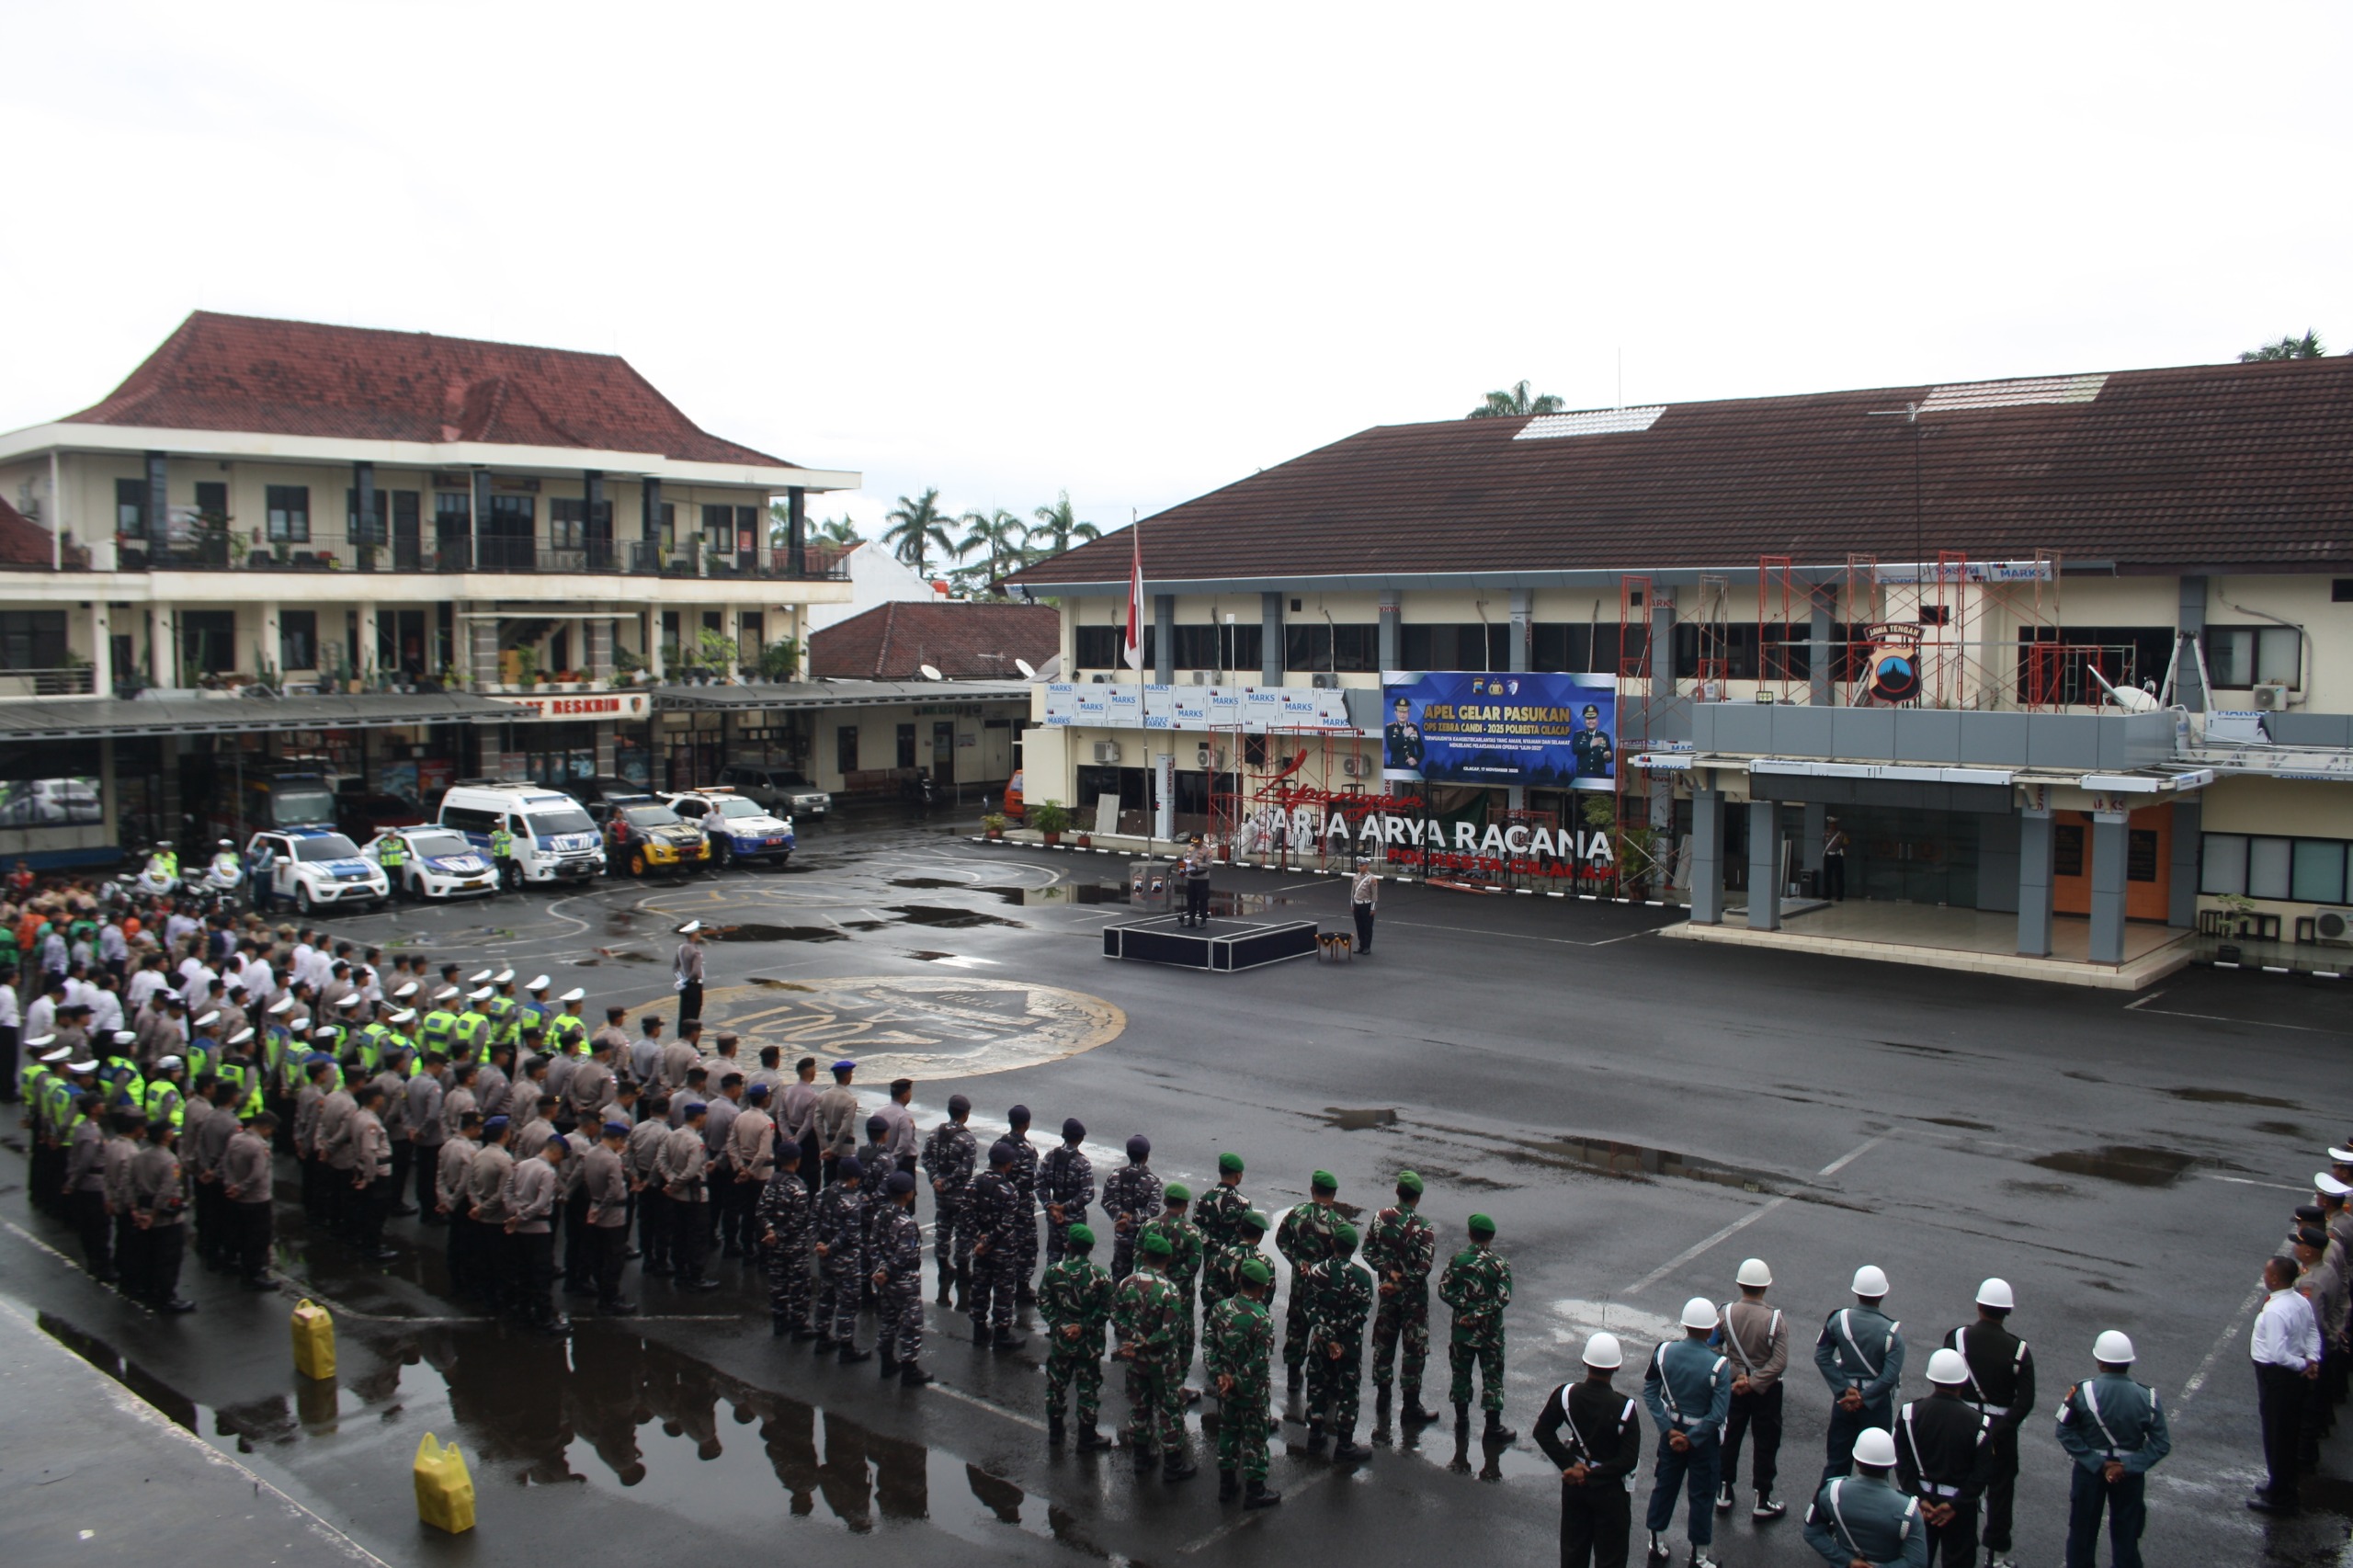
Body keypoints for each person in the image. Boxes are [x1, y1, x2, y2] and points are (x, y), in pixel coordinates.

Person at [2054, 1331, 2168, 1568]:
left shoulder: (2082, 1391)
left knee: (2082, 1536)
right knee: (2127, 1538)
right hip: (2129, 1475)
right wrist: (2128, 1466)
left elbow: (2064, 1431)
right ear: (2128, 1362)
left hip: (2089, 1472)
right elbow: (2161, 1444)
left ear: (2099, 1361)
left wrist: (2097, 1464)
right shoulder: (2148, 1397)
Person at [1942, 1277, 2036, 1565]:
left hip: (1962, 1422)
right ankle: (1996, 1556)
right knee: (2000, 1491)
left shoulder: (1956, 1338)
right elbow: (2025, 1400)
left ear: (1979, 1305)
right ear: (2007, 1311)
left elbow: (1945, 1379)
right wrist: (2000, 1429)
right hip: (2000, 1431)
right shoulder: (2019, 1350)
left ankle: (1958, 1546)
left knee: (1958, 1483)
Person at [1539, 1332, 1644, 1568]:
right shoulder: (1625, 1408)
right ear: (1616, 1366)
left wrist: (1570, 1465)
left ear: (1586, 1362)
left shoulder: (1565, 1395)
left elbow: (1542, 1432)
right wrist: (1593, 1475)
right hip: (1610, 1490)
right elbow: (1628, 1460)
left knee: (1573, 1553)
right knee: (1611, 1558)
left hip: (1574, 1486)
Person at [1643, 1299, 1733, 1568]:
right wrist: (1691, 1438)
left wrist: (1669, 1431)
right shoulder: (1719, 1365)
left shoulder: (1663, 1351)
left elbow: (1650, 1392)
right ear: (1710, 1330)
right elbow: (1718, 1414)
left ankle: (1656, 1545)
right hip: (1703, 1440)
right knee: (1702, 1494)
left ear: (1684, 1325)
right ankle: (1700, 1557)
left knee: (1665, 1487)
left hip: (1670, 1434)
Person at [1895, 1349, 1995, 1567]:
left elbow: (1902, 1463)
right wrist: (1955, 1505)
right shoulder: (1979, 1423)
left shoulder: (1909, 1414)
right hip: (1960, 1506)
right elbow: (1983, 1473)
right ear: (1963, 1381)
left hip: (1920, 1504)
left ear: (1931, 1378)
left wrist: (1919, 1497)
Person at [1113, 1229, 1195, 1481]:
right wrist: (1149, 1342)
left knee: (1140, 1406)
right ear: (1167, 1259)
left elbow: (1117, 1317)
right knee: (1170, 1410)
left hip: (1135, 1360)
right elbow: (1169, 1332)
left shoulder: (1127, 1283)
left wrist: (1135, 1340)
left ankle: (1141, 1458)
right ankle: (1173, 1465)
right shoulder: (1169, 1290)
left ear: (1145, 1256)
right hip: (1163, 1363)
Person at [1366, 1168, 1440, 1442]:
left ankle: (1382, 1400)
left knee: (1384, 1344)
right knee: (1413, 1350)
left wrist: (1387, 1271)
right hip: (1413, 1301)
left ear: (1398, 1192)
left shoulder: (1381, 1217)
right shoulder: (1424, 1226)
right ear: (1417, 1197)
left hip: (1388, 1295)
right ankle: (1411, 1406)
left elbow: (1367, 1251)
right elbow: (1425, 1266)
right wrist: (1404, 1279)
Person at [1716, 1256, 1791, 1521]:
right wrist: (1756, 1382)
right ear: (1766, 1287)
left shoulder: (1724, 1313)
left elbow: (1713, 1348)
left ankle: (1724, 1491)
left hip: (1733, 1386)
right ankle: (1762, 1498)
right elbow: (1780, 1361)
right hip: (1766, 1390)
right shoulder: (1774, 1320)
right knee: (1766, 1441)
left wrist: (1737, 1376)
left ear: (1739, 1284)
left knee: (1729, 1437)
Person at [1816, 1265, 1905, 1482]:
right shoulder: (1892, 1333)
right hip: (1876, 1405)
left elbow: (1822, 1357)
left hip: (1844, 1400)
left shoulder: (1838, 1320)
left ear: (1856, 1291)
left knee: (1836, 1465)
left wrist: (1845, 1390)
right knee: (1877, 1468)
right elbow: (1889, 1377)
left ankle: (1822, 1512)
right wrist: (1864, 1398)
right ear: (1882, 1294)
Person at [1208, 1257, 1284, 1508]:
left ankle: (1225, 1486)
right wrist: (1239, 1381)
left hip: (1224, 1387)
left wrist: (1220, 1375)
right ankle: (1255, 1490)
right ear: (1262, 1289)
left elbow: (1208, 1346)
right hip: (1252, 1392)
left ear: (1239, 1281)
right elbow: (1260, 1361)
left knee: (1228, 1431)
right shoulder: (1262, 1319)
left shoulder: (1219, 1309)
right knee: (1255, 1438)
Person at [2250, 1254, 2322, 1513]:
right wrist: (2312, 1359)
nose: (2264, 1276)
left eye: (2267, 1273)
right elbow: (2313, 1331)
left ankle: (2282, 1497)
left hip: (2277, 1377)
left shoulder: (2277, 1312)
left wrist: (2304, 1364)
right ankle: (2279, 1484)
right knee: (2285, 1434)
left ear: (2276, 1278)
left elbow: (2279, 1355)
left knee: (2277, 1436)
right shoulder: (2299, 1302)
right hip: (2290, 1376)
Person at [1439, 1211, 1516, 1444]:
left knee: (1460, 1375)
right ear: (1491, 1237)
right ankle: (1492, 1427)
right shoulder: (1500, 1264)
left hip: (1462, 1332)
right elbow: (1503, 1298)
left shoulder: (1457, 1260)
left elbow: (1444, 1290)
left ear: (1470, 1234)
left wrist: (1466, 1309)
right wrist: (1480, 1312)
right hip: (1490, 1334)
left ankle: (1461, 1421)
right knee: (1492, 1377)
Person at [1803, 1428, 1928, 1568]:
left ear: (1856, 1460)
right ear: (1891, 1464)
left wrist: (1848, 1561)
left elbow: (1812, 1534)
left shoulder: (1830, 1492)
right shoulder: (1909, 1508)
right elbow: (1917, 1562)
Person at [1042, 1220, 1116, 1449]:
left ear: (1068, 1245)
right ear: (1090, 1248)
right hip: (1088, 1343)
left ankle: (1055, 1432)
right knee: (1087, 1387)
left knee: (1056, 1385)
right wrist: (1082, 1327)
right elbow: (1105, 1310)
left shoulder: (1054, 1272)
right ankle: (1086, 1436)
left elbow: (1044, 1302)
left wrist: (1062, 1326)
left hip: (1062, 1341)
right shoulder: (1100, 1276)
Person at [1307, 1218, 1375, 1460]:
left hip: (1321, 1343)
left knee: (1317, 1386)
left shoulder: (1316, 1271)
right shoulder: (1363, 1277)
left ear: (1333, 1243)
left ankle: (1315, 1436)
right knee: (1347, 1391)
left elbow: (1309, 1307)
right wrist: (1339, 1337)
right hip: (1348, 1344)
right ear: (1353, 1248)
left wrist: (1327, 1336)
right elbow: (1361, 1314)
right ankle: (1344, 1444)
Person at [1277, 1169, 1343, 1413]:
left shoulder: (1297, 1213)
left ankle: (1294, 1376)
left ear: (1312, 1189)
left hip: (1300, 1282)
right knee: (1325, 1326)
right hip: (1326, 1285)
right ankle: (1329, 1379)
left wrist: (1298, 1261)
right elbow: (1342, 1255)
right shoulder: (1338, 1223)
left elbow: (1281, 1241)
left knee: (1296, 1323)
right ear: (1333, 1194)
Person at [1138, 1184, 1207, 1399]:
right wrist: (1172, 1281)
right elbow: (1194, 1264)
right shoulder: (1192, 1232)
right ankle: (1177, 1386)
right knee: (1182, 1339)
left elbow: (1137, 1257)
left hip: (1149, 1292)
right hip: (1181, 1295)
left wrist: (1157, 1280)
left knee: (1150, 1331)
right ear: (1185, 1205)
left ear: (1165, 1202)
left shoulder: (1149, 1226)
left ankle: (1147, 1382)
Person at [871, 1169, 932, 1386]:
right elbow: (904, 1254)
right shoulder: (906, 1224)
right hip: (903, 1281)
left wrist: (880, 1271)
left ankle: (887, 1363)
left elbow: (874, 1245)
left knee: (887, 1320)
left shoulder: (881, 1214)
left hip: (884, 1281)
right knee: (911, 1324)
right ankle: (909, 1369)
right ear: (907, 1194)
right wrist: (888, 1272)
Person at [966, 1141, 1028, 1350]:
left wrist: (980, 1240)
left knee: (980, 1287)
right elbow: (1006, 1224)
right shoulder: (1009, 1189)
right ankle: (1001, 1334)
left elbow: (966, 1217)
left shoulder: (972, 1184)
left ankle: (979, 1331)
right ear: (1007, 1164)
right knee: (1003, 1291)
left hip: (980, 1249)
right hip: (1002, 1250)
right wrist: (989, 1240)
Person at [505, 1133, 568, 1334]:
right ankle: (544, 1319)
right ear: (556, 1152)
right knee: (541, 1275)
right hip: (538, 1229)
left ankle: (524, 1314)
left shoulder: (522, 1165)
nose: (560, 1161)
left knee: (523, 1272)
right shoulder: (547, 1172)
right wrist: (522, 1216)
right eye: (561, 1157)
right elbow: (541, 1203)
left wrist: (514, 1211)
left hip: (520, 1230)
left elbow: (507, 1191)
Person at [756, 1140, 818, 1340]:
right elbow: (798, 1220)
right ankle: (799, 1325)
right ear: (797, 1160)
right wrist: (780, 1234)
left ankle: (780, 1321)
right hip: (794, 1247)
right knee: (798, 1286)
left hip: (774, 1246)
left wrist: (770, 1231)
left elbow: (761, 1211)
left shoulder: (771, 1182)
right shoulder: (798, 1188)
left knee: (777, 1283)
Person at [921, 1095, 978, 1305]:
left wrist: (936, 1180)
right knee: (963, 1234)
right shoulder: (967, 1139)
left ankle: (943, 1268)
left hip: (941, 1195)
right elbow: (966, 1170)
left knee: (942, 1230)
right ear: (964, 1114)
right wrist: (948, 1183)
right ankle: (963, 1273)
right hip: (960, 1196)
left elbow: (925, 1158)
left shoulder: (935, 1133)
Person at [659, 1101, 717, 1291]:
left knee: (679, 1235)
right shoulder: (696, 1141)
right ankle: (696, 1276)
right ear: (699, 1117)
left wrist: (671, 1180)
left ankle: (680, 1273)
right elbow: (692, 1170)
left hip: (677, 1196)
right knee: (697, 1236)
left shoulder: (673, 1134)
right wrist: (677, 1183)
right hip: (695, 1196)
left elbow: (662, 1160)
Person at [814, 1154, 868, 1359]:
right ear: (853, 1179)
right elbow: (851, 1234)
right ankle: (846, 1346)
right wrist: (831, 1247)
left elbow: (813, 1221)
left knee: (825, 1298)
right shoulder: (852, 1202)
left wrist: (819, 1244)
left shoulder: (823, 1194)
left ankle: (822, 1338)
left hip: (825, 1258)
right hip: (846, 1260)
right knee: (848, 1303)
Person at [582, 1120, 636, 1316]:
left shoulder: (591, 1153)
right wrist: (603, 1210)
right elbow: (613, 1191)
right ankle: (609, 1299)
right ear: (618, 1139)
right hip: (612, 1214)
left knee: (598, 1255)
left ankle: (605, 1293)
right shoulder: (611, 1160)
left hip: (595, 1205)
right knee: (615, 1258)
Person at [221, 1109, 278, 1290]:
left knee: (240, 1234)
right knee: (258, 1238)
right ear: (266, 1128)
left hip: (238, 1199)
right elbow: (258, 1174)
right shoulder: (259, 1146)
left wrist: (231, 1185)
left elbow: (226, 1164)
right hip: (257, 1199)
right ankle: (253, 1275)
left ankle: (238, 1264)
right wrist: (242, 1188)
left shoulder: (235, 1139)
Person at [1040, 1115, 1094, 1272]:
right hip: (1074, 1218)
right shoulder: (1082, 1162)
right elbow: (1087, 1194)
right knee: (1074, 1260)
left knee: (1052, 1257)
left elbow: (1039, 1183)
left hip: (1053, 1214)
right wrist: (1065, 1208)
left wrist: (1051, 1206)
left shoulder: (1050, 1156)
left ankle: (1050, 1289)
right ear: (1080, 1139)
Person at [813, 1059, 859, 1187]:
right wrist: (834, 1149)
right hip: (844, 1147)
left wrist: (825, 1147)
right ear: (846, 1075)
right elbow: (844, 1128)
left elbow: (817, 1123)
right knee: (845, 1183)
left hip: (828, 1143)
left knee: (829, 1182)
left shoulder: (823, 1095)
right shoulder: (849, 1100)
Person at [672, 919, 706, 1026]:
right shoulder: (696, 951)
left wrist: (681, 980)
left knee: (684, 1014)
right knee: (693, 1015)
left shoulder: (681, 948)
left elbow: (675, 967)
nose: (699, 934)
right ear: (693, 934)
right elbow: (695, 971)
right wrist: (686, 981)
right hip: (695, 985)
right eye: (698, 932)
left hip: (685, 987)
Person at [1385, 697, 1425, 774]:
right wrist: (1404, 735)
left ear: (1409, 713)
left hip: (1411, 768)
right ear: (1395, 713)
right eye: (1400, 712)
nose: (1402, 715)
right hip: (1396, 768)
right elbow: (1391, 747)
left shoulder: (1414, 727)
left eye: (1405, 712)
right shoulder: (1390, 727)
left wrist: (1415, 759)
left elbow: (1421, 750)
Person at [1350, 856, 1380, 953]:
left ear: (1367, 866)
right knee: (1359, 926)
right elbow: (1353, 892)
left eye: (1362, 865)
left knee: (1367, 927)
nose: (1359, 867)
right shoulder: (1355, 877)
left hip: (1366, 905)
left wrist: (1373, 908)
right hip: (1357, 904)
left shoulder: (1372, 879)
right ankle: (1361, 945)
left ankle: (1367, 947)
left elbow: (1374, 895)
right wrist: (1352, 905)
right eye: (1359, 865)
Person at [1183, 835, 1212, 927]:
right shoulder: (1189, 848)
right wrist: (1182, 867)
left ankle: (1203, 920)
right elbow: (1184, 859)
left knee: (1203, 899)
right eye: (1193, 841)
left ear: (1201, 840)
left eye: (1197, 841)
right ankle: (1192, 919)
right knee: (1191, 899)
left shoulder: (1207, 850)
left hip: (1202, 878)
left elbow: (1209, 865)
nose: (1195, 843)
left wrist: (1198, 864)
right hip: (1191, 877)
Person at [1822, 817, 1850, 903]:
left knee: (1839, 877)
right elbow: (1823, 842)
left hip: (1837, 856)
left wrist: (1843, 849)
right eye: (1830, 824)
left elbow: (1846, 843)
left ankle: (1840, 896)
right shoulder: (1826, 833)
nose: (1831, 825)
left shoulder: (1841, 834)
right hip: (1828, 856)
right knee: (1827, 876)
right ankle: (1827, 895)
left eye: (1833, 824)